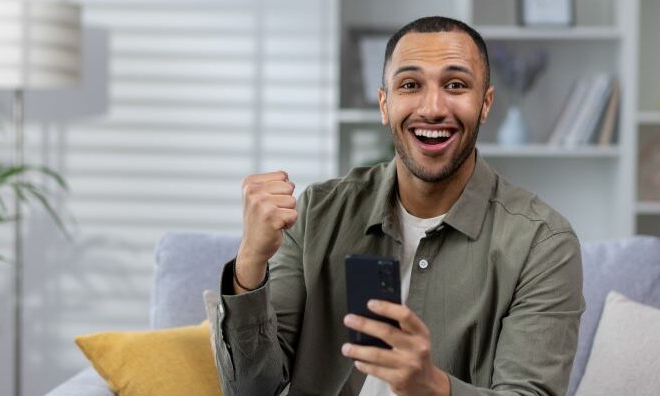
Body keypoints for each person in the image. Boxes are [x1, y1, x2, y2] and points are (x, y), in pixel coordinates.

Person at [213, 16, 585, 396]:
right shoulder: (315, 214)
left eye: (455, 85)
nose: (433, 108)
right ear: (384, 104)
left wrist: (432, 387)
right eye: (410, 85)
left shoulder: (543, 243)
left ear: (485, 104)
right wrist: (250, 262)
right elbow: (252, 390)